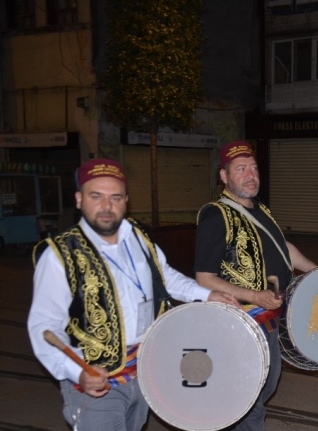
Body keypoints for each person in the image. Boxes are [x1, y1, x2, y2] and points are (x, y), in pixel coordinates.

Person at [27, 158, 237, 431]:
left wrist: (207, 295)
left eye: (115, 197)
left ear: (126, 200)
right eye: (96, 196)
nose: (106, 206)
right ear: (79, 199)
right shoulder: (60, 255)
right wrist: (76, 372)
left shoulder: (138, 236)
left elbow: (166, 276)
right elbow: (43, 326)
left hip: (145, 367)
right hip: (96, 381)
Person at [194, 141, 317, 431]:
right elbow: (204, 278)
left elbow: (283, 248)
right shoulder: (216, 216)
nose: (250, 174)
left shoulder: (260, 208)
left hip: (268, 318)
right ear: (224, 177)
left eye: (253, 168)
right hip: (240, 321)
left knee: (265, 386)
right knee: (248, 396)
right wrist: (254, 296)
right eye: (241, 169)